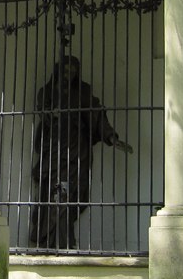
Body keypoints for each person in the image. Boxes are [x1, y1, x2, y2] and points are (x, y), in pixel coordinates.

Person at [29, 55, 123, 250]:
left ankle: (59, 241)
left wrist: (110, 136)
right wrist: (50, 114)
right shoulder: (47, 91)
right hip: (56, 154)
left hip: (78, 153)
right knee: (59, 197)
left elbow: (97, 113)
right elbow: (42, 110)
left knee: (75, 197)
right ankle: (60, 243)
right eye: (65, 70)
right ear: (58, 70)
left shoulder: (83, 91)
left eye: (73, 71)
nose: (69, 74)